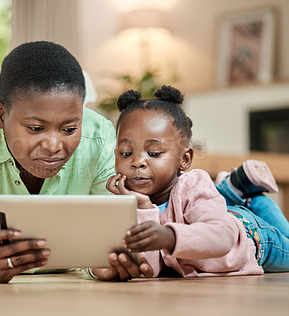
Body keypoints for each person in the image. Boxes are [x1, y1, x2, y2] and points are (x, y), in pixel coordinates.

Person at [0, 41, 152, 283]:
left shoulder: (98, 134)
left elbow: (108, 236)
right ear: (0, 114)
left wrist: (103, 264)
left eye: (69, 129)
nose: (54, 146)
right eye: (36, 128)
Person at [91, 85, 289, 279]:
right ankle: (230, 191)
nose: (137, 162)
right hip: (214, 210)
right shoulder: (119, 198)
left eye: (154, 153)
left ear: (184, 159)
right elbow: (150, 269)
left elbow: (223, 236)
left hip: (252, 236)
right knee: (210, 203)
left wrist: (170, 237)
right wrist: (143, 207)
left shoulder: (193, 184)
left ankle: (252, 199)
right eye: (126, 153)